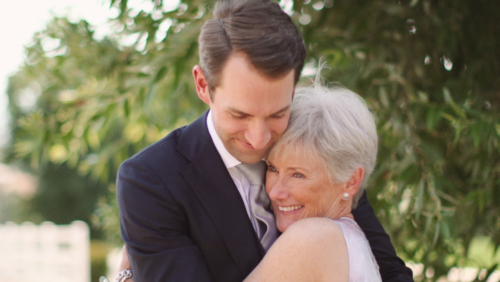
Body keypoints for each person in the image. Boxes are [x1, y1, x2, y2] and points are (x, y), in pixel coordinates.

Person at [116, 0, 413, 281]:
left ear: (293, 90)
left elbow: (389, 271)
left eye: (277, 114)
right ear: (203, 85)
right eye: (239, 115)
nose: (259, 139)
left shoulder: (316, 147)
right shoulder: (152, 181)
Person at [244, 84, 382, 281]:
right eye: (273, 169)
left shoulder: (312, 238)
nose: (275, 192)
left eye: (298, 175)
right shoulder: (352, 242)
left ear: (351, 182)